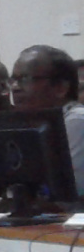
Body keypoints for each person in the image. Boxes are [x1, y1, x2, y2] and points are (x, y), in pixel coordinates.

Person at [10, 45, 84, 189]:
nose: (15, 87)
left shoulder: (77, 121)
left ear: (60, 88)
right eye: (13, 80)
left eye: (25, 79)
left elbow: (68, 189)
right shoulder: (30, 123)